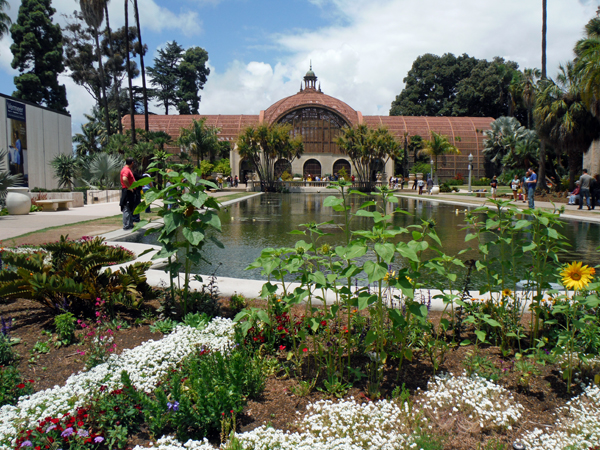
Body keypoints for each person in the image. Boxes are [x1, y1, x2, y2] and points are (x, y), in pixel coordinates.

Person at [119, 157, 136, 230]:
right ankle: (126, 225)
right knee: (126, 208)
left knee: (130, 208)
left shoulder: (128, 170)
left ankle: (130, 224)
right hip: (127, 191)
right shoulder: (126, 170)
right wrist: (129, 187)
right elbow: (124, 179)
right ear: (132, 162)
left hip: (129, 191)